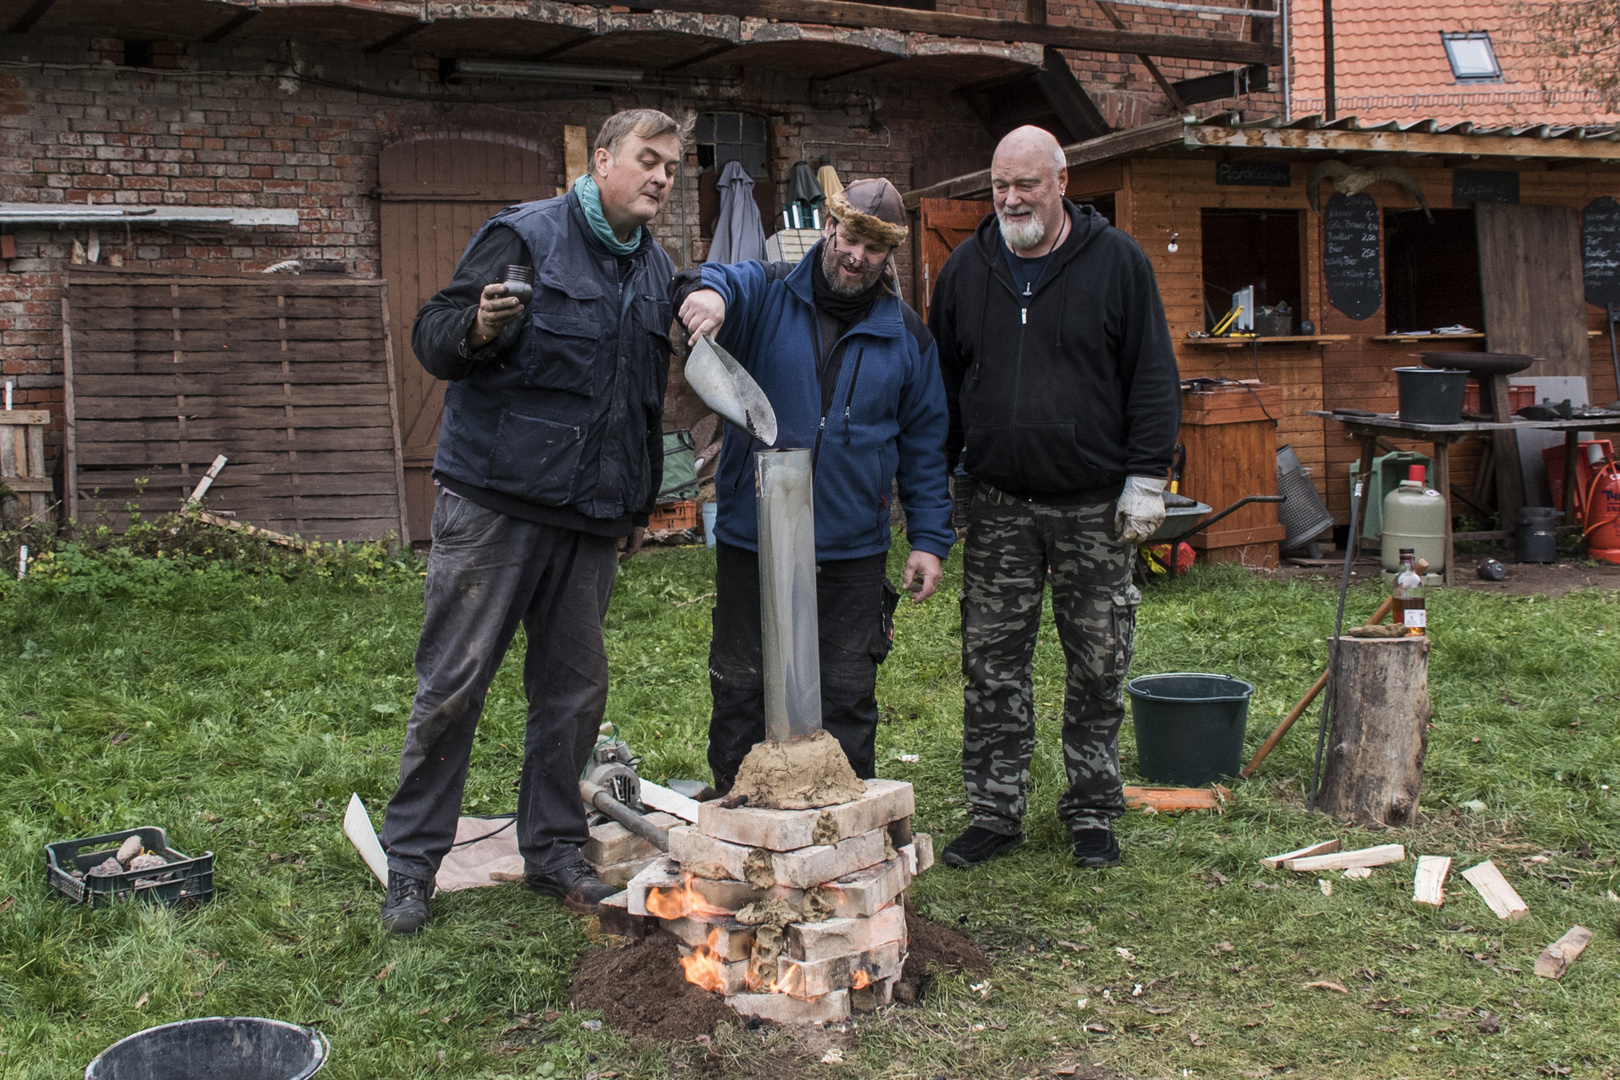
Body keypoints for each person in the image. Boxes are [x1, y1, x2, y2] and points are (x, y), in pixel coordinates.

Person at [378, 109, 686, 934]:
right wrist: (477, 325)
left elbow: (639, 399)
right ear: (603, 161)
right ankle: (411, 863)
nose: (660, 177)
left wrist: (629, 506)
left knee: (573, 694)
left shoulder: (656, 271)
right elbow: (432, 335)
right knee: (453, 685)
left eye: (671, 167)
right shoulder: (523, 236)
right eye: (647, 161)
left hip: (589, 520)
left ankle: (551, 849)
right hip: (496, 507)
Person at [929, 126, 1180, 870]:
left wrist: (1147, 478)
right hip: (999, 505)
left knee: (1098, 661)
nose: (1010, 198)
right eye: (1000, 184)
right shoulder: (966, 271)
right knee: (991, 663)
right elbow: (938, 389)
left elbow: (1153, 378)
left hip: (1094, 507)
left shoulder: (1118, 264)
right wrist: (936, 490)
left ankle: (1095, 810)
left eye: (1026, 184)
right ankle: (995, 808)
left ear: (1062, 181)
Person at [675, 177, 954, 791]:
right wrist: (711, 298)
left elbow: (926, 445)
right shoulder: (769, 294)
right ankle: (736, 810)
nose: (856, 256)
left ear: (889, 256)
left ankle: (847, 825)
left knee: (848, 691)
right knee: (742, 683)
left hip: (853, 547)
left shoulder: (908, 335)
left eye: (874, 249)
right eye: (850, 238)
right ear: (830, 227)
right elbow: (722, 276)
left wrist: (930, 538)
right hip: (756, 541)